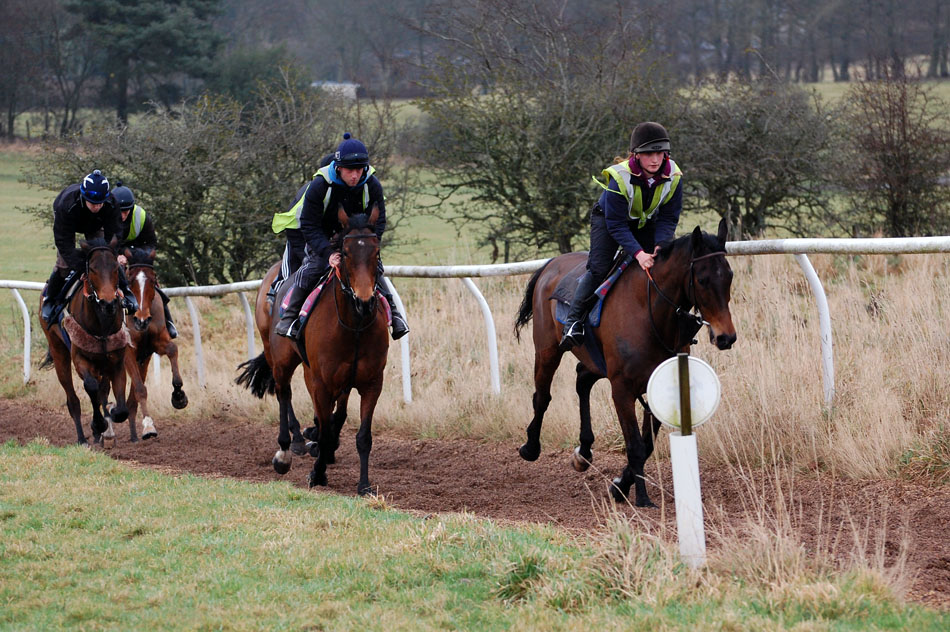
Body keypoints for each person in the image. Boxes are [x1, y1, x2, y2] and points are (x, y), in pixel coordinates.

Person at [560, 122, 683, 350]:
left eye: (660, 153)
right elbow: (616, 225)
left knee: (666, 263)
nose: (655, 160)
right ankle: (573, 322)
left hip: (646, 221)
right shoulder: (619, 177)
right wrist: (638, 253)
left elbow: (668, 218)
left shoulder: (674, 176)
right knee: (598, 267)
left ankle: (676, 319)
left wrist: (661, 244)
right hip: (609, 221)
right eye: (648, 154)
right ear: (636, 154)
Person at [275, 133, 409, 340]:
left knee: (374, 268)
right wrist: (327, 252)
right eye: (349, 170)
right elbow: (309, 224)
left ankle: (395, 315)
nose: (355, 175)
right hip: (322, 235)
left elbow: (379, 219)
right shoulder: (320, 185)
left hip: (356, 237)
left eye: (359, 170)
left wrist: (371, 244)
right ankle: (289, 317)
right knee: (314, 267)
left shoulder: (372, 184)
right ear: (338, 167)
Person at [41, 169, 137, 324]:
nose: (97, 206)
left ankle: (126, 291)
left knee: (106, 260)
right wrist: (81, 266)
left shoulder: (111, 203)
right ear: (84, 197)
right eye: (93, 203)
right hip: (69, 223)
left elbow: (116, 235)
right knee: (64, 264)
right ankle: (50, 300)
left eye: (100, 203)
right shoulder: (67, 205)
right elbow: (63, 242)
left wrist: (110, 255)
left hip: (95, 225)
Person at [112, 184, 178, 339]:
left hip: (137, 253)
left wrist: (138, 256)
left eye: (126, 211)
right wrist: (117, 255)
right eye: (119, 211)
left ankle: (168, 322)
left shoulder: (141, 216)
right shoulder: (105, 216)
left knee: (148, 281)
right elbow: (104, 241)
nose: (122, 215)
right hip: (113, 251)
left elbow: (152, 243)